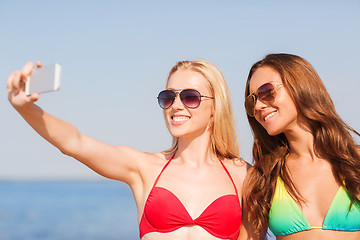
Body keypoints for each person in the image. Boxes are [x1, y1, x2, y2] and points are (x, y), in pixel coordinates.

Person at [7, 59, 248, 240]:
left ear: (216, 106)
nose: (176, 105)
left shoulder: (243, 176)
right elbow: (74, 142)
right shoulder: (144, 167)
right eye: (168, 97)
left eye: (189, 97)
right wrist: (25, 108)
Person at [238, 53, 360, 240]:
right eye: (251, 101)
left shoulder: (356, 161)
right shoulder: (263, 177)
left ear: (300, 85)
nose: (259, 106)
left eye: (266, 92)